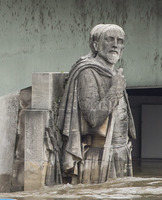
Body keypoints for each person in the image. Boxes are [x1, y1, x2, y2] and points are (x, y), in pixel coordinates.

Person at [51, 24, 136, 184]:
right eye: (109, 39)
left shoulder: (114, 74)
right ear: (96, 45)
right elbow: (93, 117)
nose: (115, 45)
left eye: (119, 41)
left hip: (120, 153)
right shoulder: (88, 72)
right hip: (100, 155)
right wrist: (116, 89)